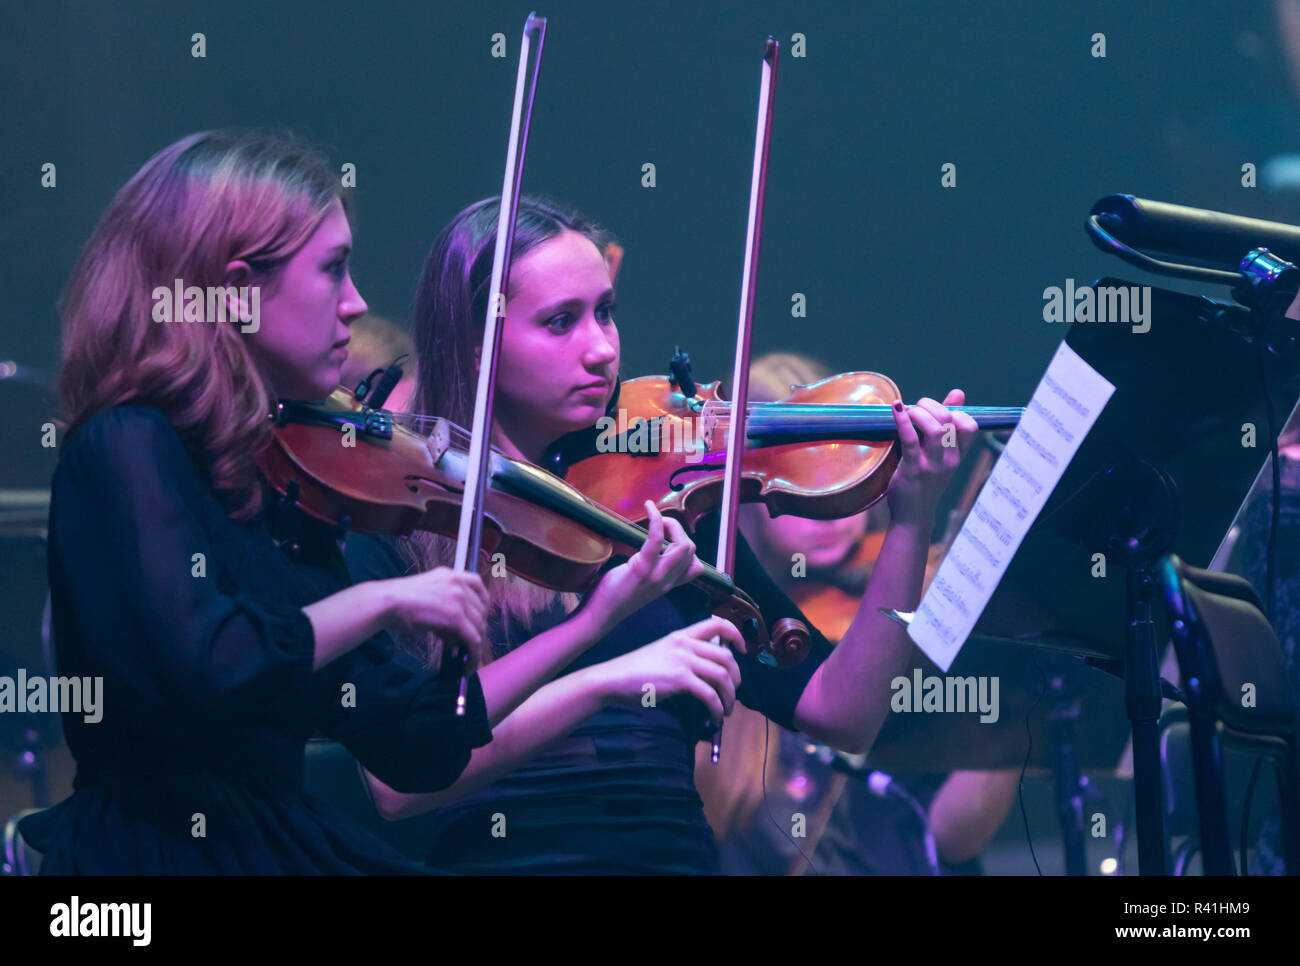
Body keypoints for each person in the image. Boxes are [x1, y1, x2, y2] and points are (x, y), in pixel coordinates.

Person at [17, 133, 683, 874]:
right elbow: (215, 664)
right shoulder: (127, 445)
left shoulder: (287, 481)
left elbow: (416, 748)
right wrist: (382, 601)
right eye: (332, 269)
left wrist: (592, 623)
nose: (357, 303)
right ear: (237, 290)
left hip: (275, 844)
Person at [345, 195, 978, 874]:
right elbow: (396, 786)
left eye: (605, 312)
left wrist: (913, 513)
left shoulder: (663, 508)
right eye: (560, 322)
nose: (601, 348)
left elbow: (843, 712)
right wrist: (603, 676)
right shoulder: (407, 513)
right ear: (476, 343)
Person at [695, 351, 1019, 875]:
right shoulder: (728, 628)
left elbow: (951, 837)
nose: (828, 500)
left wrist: (1015, 684)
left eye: (842, 465)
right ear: (747, 485)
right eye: (802, 469)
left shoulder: (903, 598)